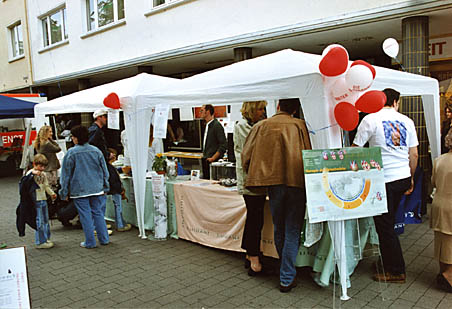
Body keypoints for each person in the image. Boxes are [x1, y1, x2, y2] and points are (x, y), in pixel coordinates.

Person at [242, 98, 311, 292]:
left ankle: (286, 273)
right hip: (297, 183)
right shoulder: (300, 126)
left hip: (273, 184)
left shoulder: (262, 125)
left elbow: (246, 156)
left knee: (279, 228)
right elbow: (310, 154)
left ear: (278, 106)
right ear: (296, 109)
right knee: (292, 229)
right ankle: (286, 276)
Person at [353, 88, 419, 283]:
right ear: (396, 102)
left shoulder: (370, 119)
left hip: (383, 179)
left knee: (385, 225)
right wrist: (411, 177)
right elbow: (413, 154)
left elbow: (356, 149)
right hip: (402, 177)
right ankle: (388, 261)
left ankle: (396, 270)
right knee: (387, 222)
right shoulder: (408, 121)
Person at [60, 125, 110, 249]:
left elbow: (65, 175)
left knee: (85, 215)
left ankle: (90, 242)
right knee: (98, 213)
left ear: (76, 138)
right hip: (97, 187)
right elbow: (105, 171)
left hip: (80, 189)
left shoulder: (71, 153)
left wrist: (64, 191)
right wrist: (105, 185)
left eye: (72, 137)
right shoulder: (96, 150)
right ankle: (104, 239)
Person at [234, 101, 268, 276]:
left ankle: (250, 252)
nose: (263, 112)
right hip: (250, 179)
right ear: (252, 110)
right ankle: (253, 255)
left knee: (256, 217)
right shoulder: (242, 126)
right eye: (260, 109)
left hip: (257, 179)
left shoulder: (255, 125)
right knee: (255, 218)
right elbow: (254, 147)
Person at [20, 154, 57, 249]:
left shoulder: (43, 174)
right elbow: (24, 183)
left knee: (45, 220)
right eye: (40, 166)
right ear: (34, 164)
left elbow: (46, 185)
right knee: (39, 221)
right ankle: (40, 241)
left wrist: (52, 193)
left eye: (43, 166)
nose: (42, 168)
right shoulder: (30, 174)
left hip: (43, 199)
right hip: (35, 200)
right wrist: (33, 173)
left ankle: (46, 238)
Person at [431, 131, 452, 292]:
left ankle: (443, 271)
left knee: (442, 240)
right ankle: (448, 275)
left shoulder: (439, 160)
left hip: (439, 205)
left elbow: (434, 182)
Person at [107, 148, 132, 232]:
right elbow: (114, 181)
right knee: (118, 207)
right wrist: (120, 189)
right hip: (115, 190)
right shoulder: (110, 168)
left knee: (117, 206)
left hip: (113, 190)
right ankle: (120, 225)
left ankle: (120, 223)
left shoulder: (109, 167)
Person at [200, 104, 227, 179]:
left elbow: (223, 145)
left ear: (208, 112)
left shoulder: (216, 125)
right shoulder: (207, 125)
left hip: (213, 161)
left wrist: (213, 158)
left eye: (202, 111)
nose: (200, 113)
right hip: (206, 159)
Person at [34, 125, 61, 191]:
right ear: (45, 133)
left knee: (46, 186)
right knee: (52, 186)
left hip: (44, 168)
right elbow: (58, 148)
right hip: (51, 168)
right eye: (50, 132)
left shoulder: (39, 143)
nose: (52, 133)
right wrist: (51, 140)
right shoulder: (47, 143)